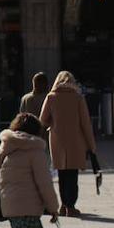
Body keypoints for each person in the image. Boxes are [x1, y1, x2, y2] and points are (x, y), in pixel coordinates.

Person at [38, 71, 97, 217]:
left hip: (57, 140)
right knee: (72, 173)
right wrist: (91, 146)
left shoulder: (51, 97)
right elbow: (85, 124)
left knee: (62, 173)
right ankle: (70, 205)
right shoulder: (78, 98)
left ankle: (64, 205)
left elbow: (42, 120)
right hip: (75, 141)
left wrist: (53, 124)